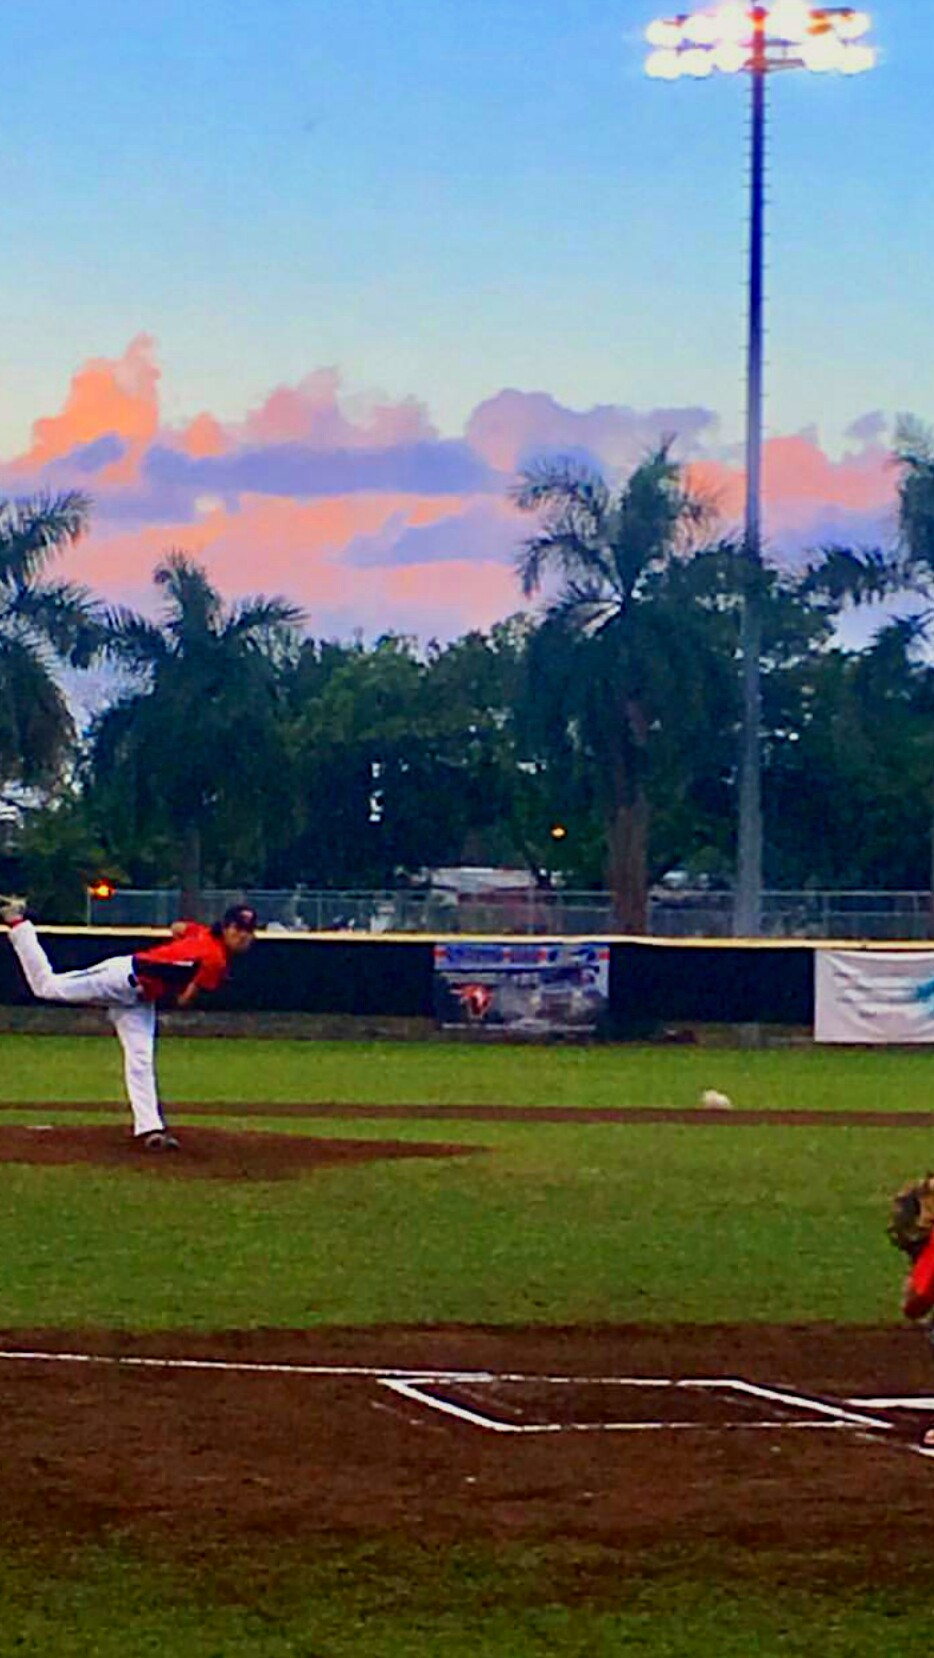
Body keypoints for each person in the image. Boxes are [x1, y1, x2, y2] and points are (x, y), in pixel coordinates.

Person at [0, 896, 258, 1150]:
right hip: (123, 979)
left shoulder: (202, 934)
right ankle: (18, 922)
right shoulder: (215, 960)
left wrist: (184, 949)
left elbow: (177, 927)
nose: (243, 935)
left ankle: (150, 1128)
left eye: (248, 930)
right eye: (237, 928)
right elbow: (183, 1000)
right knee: (47, 987)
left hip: (139, 999)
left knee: (140, 1059)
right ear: (226, 928)